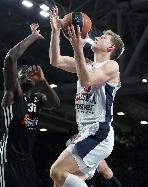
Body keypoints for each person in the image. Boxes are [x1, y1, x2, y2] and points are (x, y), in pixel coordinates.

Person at [49, 6, 125, 187]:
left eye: (103, 37)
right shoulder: (87, 64)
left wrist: (78, 49)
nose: (96, 37)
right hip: (84, 131)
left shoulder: (111, 66)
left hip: (99, 132)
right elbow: (55, 60)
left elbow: (87, 82)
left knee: (57, 172)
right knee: (58, 182)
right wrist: (55, 31)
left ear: (110, 47)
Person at [0, 23, 60, 187]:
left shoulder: (37, 98)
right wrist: (33, 36)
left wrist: (44, 82)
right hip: (9, 159)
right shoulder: (12, 94)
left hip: (28, 159)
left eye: (29, 73)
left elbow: (55, 104)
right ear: (15, 79)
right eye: (22, 72)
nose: (28, 74)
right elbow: (10, 57)